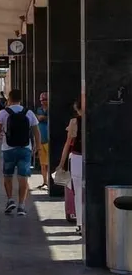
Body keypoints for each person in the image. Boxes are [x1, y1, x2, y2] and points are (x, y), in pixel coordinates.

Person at [0, 89, 43, 216]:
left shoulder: (3, 113)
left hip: (8, 149)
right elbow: (36, 131)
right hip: (25, 149)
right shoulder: (28, 113)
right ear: (21, 99)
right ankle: (21, 206)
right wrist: (38, 147)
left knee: (8, 176)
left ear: (9, 99)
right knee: (23, 177)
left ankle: (10, 200)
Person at [57, 99, 84, 234]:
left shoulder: (75, 122)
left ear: (77, 108)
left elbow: (68, 143)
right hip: (95, 160)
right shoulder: (98, 119)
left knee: (78, 192)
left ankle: (80, 224)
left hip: (78, 158)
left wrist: (61, 164)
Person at [35, 92, 49, 190]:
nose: (43, 102)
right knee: (43, 164)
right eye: (42, 100)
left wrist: (45, 118)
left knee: (49, 163)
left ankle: (50, 182)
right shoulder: (38, 110)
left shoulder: (51, 110)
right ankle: (45, 181)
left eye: (45, 100)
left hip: (49, 140)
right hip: (41, 140)